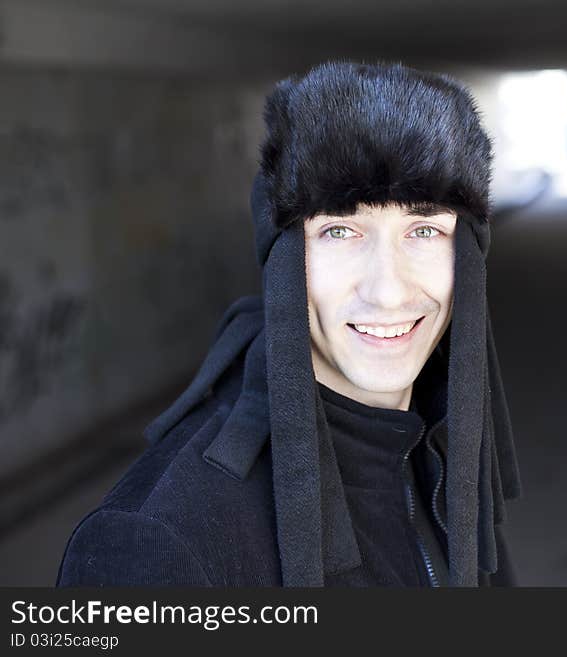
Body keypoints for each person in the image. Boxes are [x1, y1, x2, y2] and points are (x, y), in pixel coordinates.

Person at [56, 60, 522, 587]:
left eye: (423, 230)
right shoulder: (158, 543)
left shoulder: (444, 452)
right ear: (281, 256)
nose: (388, 291)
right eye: (340, 231)